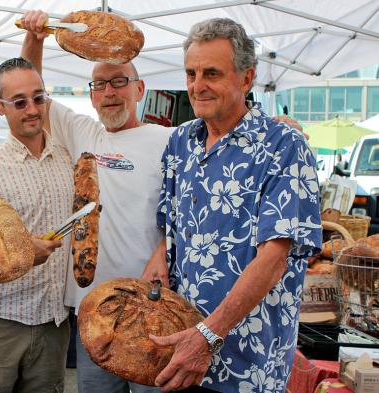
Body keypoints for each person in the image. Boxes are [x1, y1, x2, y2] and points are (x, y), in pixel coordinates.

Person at [146, 18, 322, 392]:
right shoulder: (181, 143)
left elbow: (274, 259)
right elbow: (174, 225)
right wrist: (160, 254)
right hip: (182, 354)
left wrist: (207, 337)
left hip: (247, 364)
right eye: (191, 73)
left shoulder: (283, 147)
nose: (197, 85)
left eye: (212, 73)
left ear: (247, 78)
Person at [20, 10, 172, 393]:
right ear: (90, 95)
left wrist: (165, 246)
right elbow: (33, 92)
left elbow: (188, 212)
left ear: (140, 89)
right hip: (94, 311)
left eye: (119, 81)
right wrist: (35, 39)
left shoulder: (168, 141)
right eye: (100, 85)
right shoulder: (82, 132)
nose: (109, 92)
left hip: (150, 309)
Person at [0, 57, 73, 393]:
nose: (32, 109)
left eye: (38, 98)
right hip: (1, 325)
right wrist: (20, 253)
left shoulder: (67, 158)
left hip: (55, 323)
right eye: (19, 102)